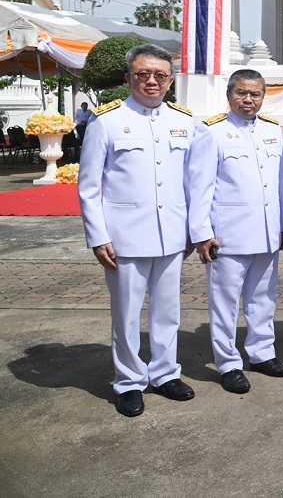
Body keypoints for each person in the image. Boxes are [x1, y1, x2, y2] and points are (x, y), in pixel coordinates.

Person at [78, 43, 195, 417]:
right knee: (127, 313)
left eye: (160, 75)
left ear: (171, 81)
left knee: (168, 311)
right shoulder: (107, 120)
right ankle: (128, 380)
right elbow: (89, 185)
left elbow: (194, 182)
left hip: (172, 233)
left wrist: (194, 229)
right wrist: (98, 236)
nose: (151, 81)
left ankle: (164, 372)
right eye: (143, 74)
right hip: (124, 237)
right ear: (129, 78)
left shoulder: (183, 121)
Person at [188, 69, 283, 394]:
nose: (249, 100)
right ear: (230, 95)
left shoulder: (272, 132)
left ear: (263, 97)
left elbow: (280, 186)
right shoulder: (212, 132)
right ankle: (229, 363)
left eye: (255, 94)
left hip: (266, 233)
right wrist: (202, 233)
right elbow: (199, 188)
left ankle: (262, 353)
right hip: (228, 236)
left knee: (263, 298)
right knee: (226, 304)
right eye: (242, 93)